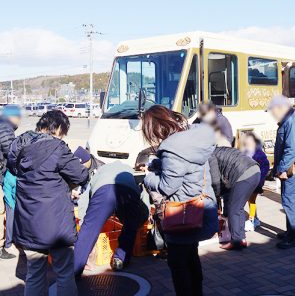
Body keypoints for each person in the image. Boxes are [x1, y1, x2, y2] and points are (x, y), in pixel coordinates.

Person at [7, 111, 88, 296]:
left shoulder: (19, 145)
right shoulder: (57, 148)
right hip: (56, 224)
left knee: (34, 274)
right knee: (64, 274)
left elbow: (15, 169)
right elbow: (81, 175)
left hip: (28, 223)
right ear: (58, 127)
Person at [142, 105, 218, 296]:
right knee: (191, 257)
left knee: (178, 263)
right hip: (199, 207)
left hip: (182, 213)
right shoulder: (192, 139)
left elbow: (168, 186)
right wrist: (159, 164)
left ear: (156, 128)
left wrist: (148, 177)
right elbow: (184, 170)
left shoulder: (172, 149)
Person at [73, 147, 149, 275]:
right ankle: (120, 259)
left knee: (89, 230)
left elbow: (87, 196)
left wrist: (84, 218)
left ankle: (75, 270)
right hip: (129, 192)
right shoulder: (129, 171)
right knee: (130, 225)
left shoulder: (100, 172)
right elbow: (143, 195)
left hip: (104, 192)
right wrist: (142, 217)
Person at [269, 95, 295, 249]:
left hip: (292, 167)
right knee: (290, 199)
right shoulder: (290, 120)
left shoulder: (292, 121)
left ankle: (294, 236)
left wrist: (283, 168)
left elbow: (291, 149)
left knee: (288, 199)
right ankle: (293, 231)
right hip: (292, 165)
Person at [209, 146, 260, 248]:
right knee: (238, 208)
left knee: (234, 209)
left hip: (244, 174)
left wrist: (216, 195)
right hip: (255, 171)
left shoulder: (210, 156)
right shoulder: (221, 149)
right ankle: (241, 239)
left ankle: (236, 241)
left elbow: (215, 181)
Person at [0, 104, 21, 259]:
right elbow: (11, 153)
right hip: (3, 175)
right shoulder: (5, 128)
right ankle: (5, 246)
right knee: (4, 211)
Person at [240, 132, 270, 231]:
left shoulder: (259, 153)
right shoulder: (243, 152)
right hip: (247, 181)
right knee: (250, 201)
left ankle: (253, 220)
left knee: (252, 201)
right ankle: (254, 218)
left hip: (256, 181)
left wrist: (260, 180)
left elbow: (265, 166)